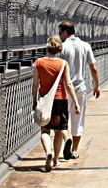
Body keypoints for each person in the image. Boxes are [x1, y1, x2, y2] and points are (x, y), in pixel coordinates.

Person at [32, 35, 79, 172]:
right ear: (59, 49)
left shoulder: (38, 63)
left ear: (47, 47)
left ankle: (48, 153)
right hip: (60, 101)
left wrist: (34, 100)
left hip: (45, 102)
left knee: (45, 130)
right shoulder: (63, 64)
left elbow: (35, 85)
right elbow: (68, 84)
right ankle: (56, 159)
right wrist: (76, 102)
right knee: (59, 131)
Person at [58, 20, 99, 160]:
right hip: (80, 88)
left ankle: (67, 138)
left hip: (64, 89)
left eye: (60, 33)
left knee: (62, 119)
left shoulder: (62, 47)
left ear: (65, 32)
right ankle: (75, 150)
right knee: (78, 119)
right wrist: (96, 86)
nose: (59, 36)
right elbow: (93, 68)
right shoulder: (85, 46)